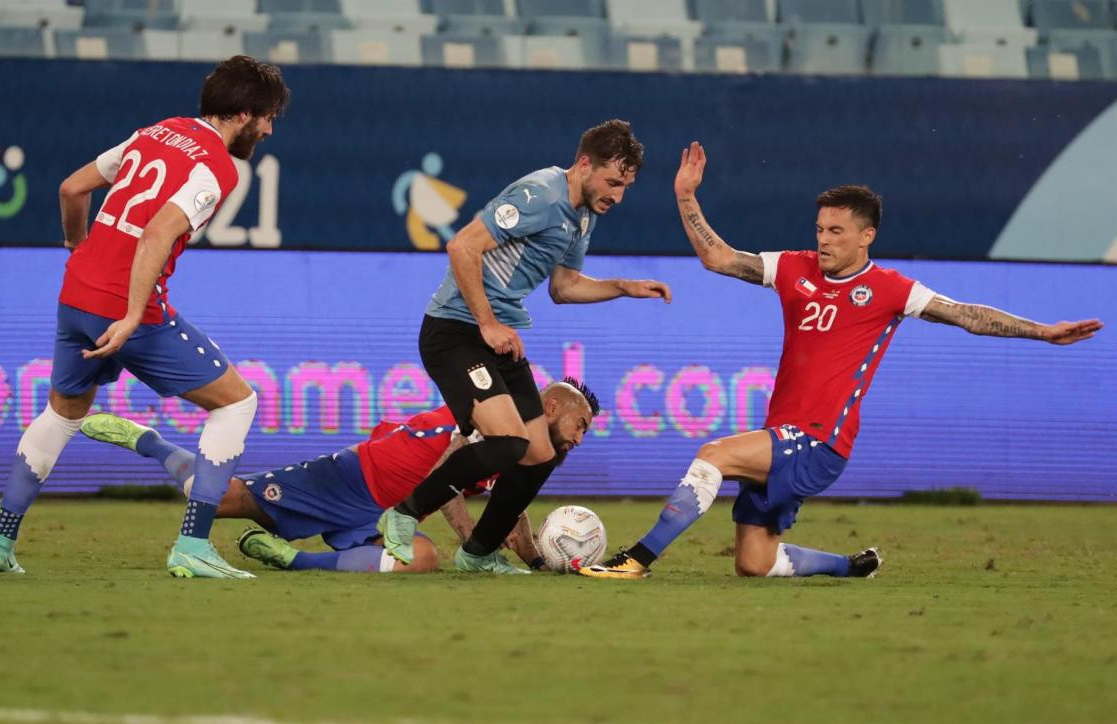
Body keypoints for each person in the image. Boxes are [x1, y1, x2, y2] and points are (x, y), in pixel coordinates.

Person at [582, 142, 1104, 581]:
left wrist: (1043, 332)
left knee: (714, 454)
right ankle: (851, 568)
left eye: (836, 231)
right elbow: (718, 257)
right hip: (782, 430)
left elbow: (966, 314)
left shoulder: (889, 289)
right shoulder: (794, 268)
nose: (823, 240)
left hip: (820, 439)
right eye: (820, 229)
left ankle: (637, 560)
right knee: (753, 562)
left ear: (866, 236)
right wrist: (685, 195)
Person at [0, 56, 290, 579]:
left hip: (75, 297)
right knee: (238, 403)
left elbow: (72, 188)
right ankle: (192, 545)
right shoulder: (216, 166)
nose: (270, 129)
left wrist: (78, 247)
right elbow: (159, 233)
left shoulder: (156, 132)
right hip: (129, 312)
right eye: (268, 117)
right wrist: (134, 313)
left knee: (62, 414)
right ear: (244, 113)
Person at [375, 119, 672, 574]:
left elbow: (565, 286)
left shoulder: (583, 215)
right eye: (613, 181)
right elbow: (461, 247)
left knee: (539, 454)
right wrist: (488, 322)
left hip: (499, 338)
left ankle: (478, 553)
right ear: (584, 164)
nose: (618, 194)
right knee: (508, 442)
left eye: (626, 186)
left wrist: (622, 286)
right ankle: (405, 511)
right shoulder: (541, 195)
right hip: (456, 331)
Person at [76, 379, 600, 574]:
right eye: (578, 425)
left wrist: (535, 558)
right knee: (216, 497)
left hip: (380, 511)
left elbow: (511, 504)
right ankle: (150, 442)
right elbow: (447, 464)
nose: (577, 440)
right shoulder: (503, 412)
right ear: (551, 406)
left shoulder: (525, 451)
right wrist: (468, 532)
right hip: (355, 478)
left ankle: (291, 559)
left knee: (422, 559)